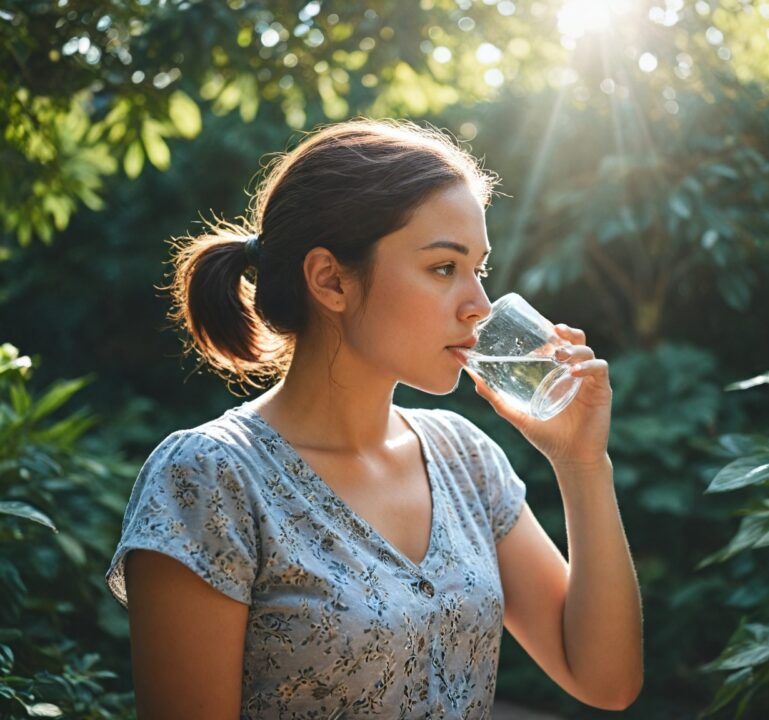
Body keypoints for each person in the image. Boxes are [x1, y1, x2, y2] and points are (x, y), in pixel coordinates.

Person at [105, 118, 643, 719]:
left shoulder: (464, 457)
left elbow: (607, 680)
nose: (480, 306)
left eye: (480, 270)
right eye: (444, 268)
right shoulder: (208, 478)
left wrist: (581, 461)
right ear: (330, 280)